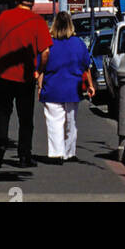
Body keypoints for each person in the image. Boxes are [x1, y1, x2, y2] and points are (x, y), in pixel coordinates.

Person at [0, 0, 51, 169]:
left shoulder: (4, 17)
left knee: (3, 113)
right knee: (25, 118)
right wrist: (39, 70)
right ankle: (24, 156)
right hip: (26, 77)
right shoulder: (37, 21)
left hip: (4, 76)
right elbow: (45, 52)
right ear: (33, 3)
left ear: (17, 1)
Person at [37, 12, 96, 164]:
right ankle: (70, 152)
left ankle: (57, 154)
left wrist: (39, 86)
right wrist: (90, 85)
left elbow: (41, 67)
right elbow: (86, 66)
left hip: (52, 88)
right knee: (72, 122)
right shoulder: (79, 43)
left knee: (54, 122)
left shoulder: (48, 43)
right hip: (72, 88)